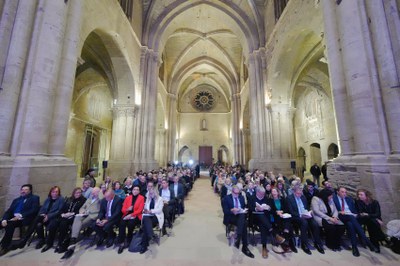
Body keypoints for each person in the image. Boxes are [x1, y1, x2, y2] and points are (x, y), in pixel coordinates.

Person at [333, 186, 377, 256]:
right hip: (340, 215)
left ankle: (354, 247)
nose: (344, 194)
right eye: (342, 192)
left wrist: (355, 214)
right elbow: (332, 209)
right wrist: (339, 212)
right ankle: (367, 241)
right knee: (351, 218)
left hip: (351, 216)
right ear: (337, 192)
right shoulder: (333, 198)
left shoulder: (349, 199)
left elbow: (353, 210)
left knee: (350, 224)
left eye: (345, 192)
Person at [18, 186, 64, 252]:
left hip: (54, 217)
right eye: (53, 192)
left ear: (59, 193)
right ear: (51, 192)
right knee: (38, 223)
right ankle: (40, 240)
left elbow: (59, 211)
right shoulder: (48, 199)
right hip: (44, 216)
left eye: (56, 192)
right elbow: (42, 208)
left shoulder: (61, 199)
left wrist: (48, 216)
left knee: (50, 224)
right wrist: (41, 214)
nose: (55, 193)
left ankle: (48, 243)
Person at [61, 187, 101, 260]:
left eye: (94, 192)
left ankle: (69, 243)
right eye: (92, 192)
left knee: (77, 226)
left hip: (92, 216)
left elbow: (101, 206)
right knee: (77, 218)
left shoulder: (100, 199)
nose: (92, 193)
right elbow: (83, 207)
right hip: (84, 214)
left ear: (98, 192)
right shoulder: (89, 199)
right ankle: (72, 241)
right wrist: (82, 211)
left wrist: (100, 193)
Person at [0, 184, 40, 256]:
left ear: (30, 191)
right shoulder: (16, 200)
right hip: (13, 218)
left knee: (10, 225)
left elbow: (34, 210)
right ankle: (5, 242)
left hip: (24, 219)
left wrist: (20, 216)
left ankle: (4, 246)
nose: (23, 191)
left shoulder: (35, 198)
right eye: (22, 190)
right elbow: (9, 211)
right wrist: (4, 219)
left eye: (26, 189)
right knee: (2, 222)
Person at [248, 186, 285, 258]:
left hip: (265, 218)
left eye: (263, 193)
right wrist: (256, 208)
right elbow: (250, 208)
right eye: (261, 194)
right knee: (261, 218)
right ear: (257, 192)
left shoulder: (266, 198)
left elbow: (270, 209)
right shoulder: (252, 198)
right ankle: (275, 235)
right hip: (255, 218)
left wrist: (268, 208)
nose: (262, 195)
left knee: (263, 225)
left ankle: (264, 247)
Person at [287, 185, 325, 255]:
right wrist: (301, 215)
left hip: (305, 214)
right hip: (296, 216)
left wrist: (308, 213)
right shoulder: (289, 198)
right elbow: (291, 211)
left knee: (315, 224)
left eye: (300, 193)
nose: (299, 195)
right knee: (304, 223)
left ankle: (317, 243)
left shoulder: (303, 197)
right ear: (294, 192)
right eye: (298, 194)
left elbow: (307, 207)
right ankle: (304, 244)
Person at [50, 187, 86, 253]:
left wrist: (71, 213)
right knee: (54, 223)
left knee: (63, 224)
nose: (78, 194)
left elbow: (82, 210)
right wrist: (63, 214)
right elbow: (62, 208)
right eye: (76, 192)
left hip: (74, 217)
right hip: (65, 215)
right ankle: (50, 242)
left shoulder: (83, 200)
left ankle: (61, 243)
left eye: (79, 193)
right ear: (73, 193)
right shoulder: (69, 199)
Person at [222, 185, 254, 258]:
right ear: (232, 192)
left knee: (243, 220)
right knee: (244, 223)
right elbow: (225, 211)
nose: (237, 195)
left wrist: (244, 210)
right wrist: (232, 210)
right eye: (235, 193)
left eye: (238, 193)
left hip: (240, 216)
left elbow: (243, 208)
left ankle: (240, 238)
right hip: (231, 217)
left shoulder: (241, 197)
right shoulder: (226, 198)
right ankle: (244, 247)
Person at [355, 189, 388, 253]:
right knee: (373, 222)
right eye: (358, 194)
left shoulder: (375, 202)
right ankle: (382, 238)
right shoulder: (358, 202)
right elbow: (360, 212)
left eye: (361, 194)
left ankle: (375, 245)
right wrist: (375, 218)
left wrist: (369, 215)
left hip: (372, 220)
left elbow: (378, 214)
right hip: (364, 219)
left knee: (372, 224)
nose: (359, 196)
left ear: (366, 195)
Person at [117, 185, 144, 254]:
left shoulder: (141, 198)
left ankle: (129, 239)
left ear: (139, 191)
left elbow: (140, 210)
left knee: (130, 224)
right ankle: (121, 242)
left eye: (137, 189)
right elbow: (123, 210)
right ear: (132, 190)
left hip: (136, 215)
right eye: (134, 189)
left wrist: (131, 215)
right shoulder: (128, 198)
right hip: (127, 214)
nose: (135, 191)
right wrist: (127, 209)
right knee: (122, 223)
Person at [268, 188, 297, 253]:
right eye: (272, 191)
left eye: (275, 191)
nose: (274, 192)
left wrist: (282, 211)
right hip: (275, 216)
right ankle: (289, 243)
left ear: (278, 192)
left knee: (288, 221)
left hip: (283, 215)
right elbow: (270, 210)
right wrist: (276, 212)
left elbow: (286, 208)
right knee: (287, 225)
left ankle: (286, 236)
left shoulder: (282, 199)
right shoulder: (270, 200)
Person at [140, 181, 164, 254]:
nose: (151, 195)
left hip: (156, 216)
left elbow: (159, 210)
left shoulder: (160, 199)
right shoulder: (148, 199)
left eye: (152, 193)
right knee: (146, 221)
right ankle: (150, 235)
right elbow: (145, 208)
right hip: (147, 216)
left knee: (145, 226)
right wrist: (145, 210)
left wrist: (151, 211)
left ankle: (144, 245)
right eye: (150, 193)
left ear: (155, 192)